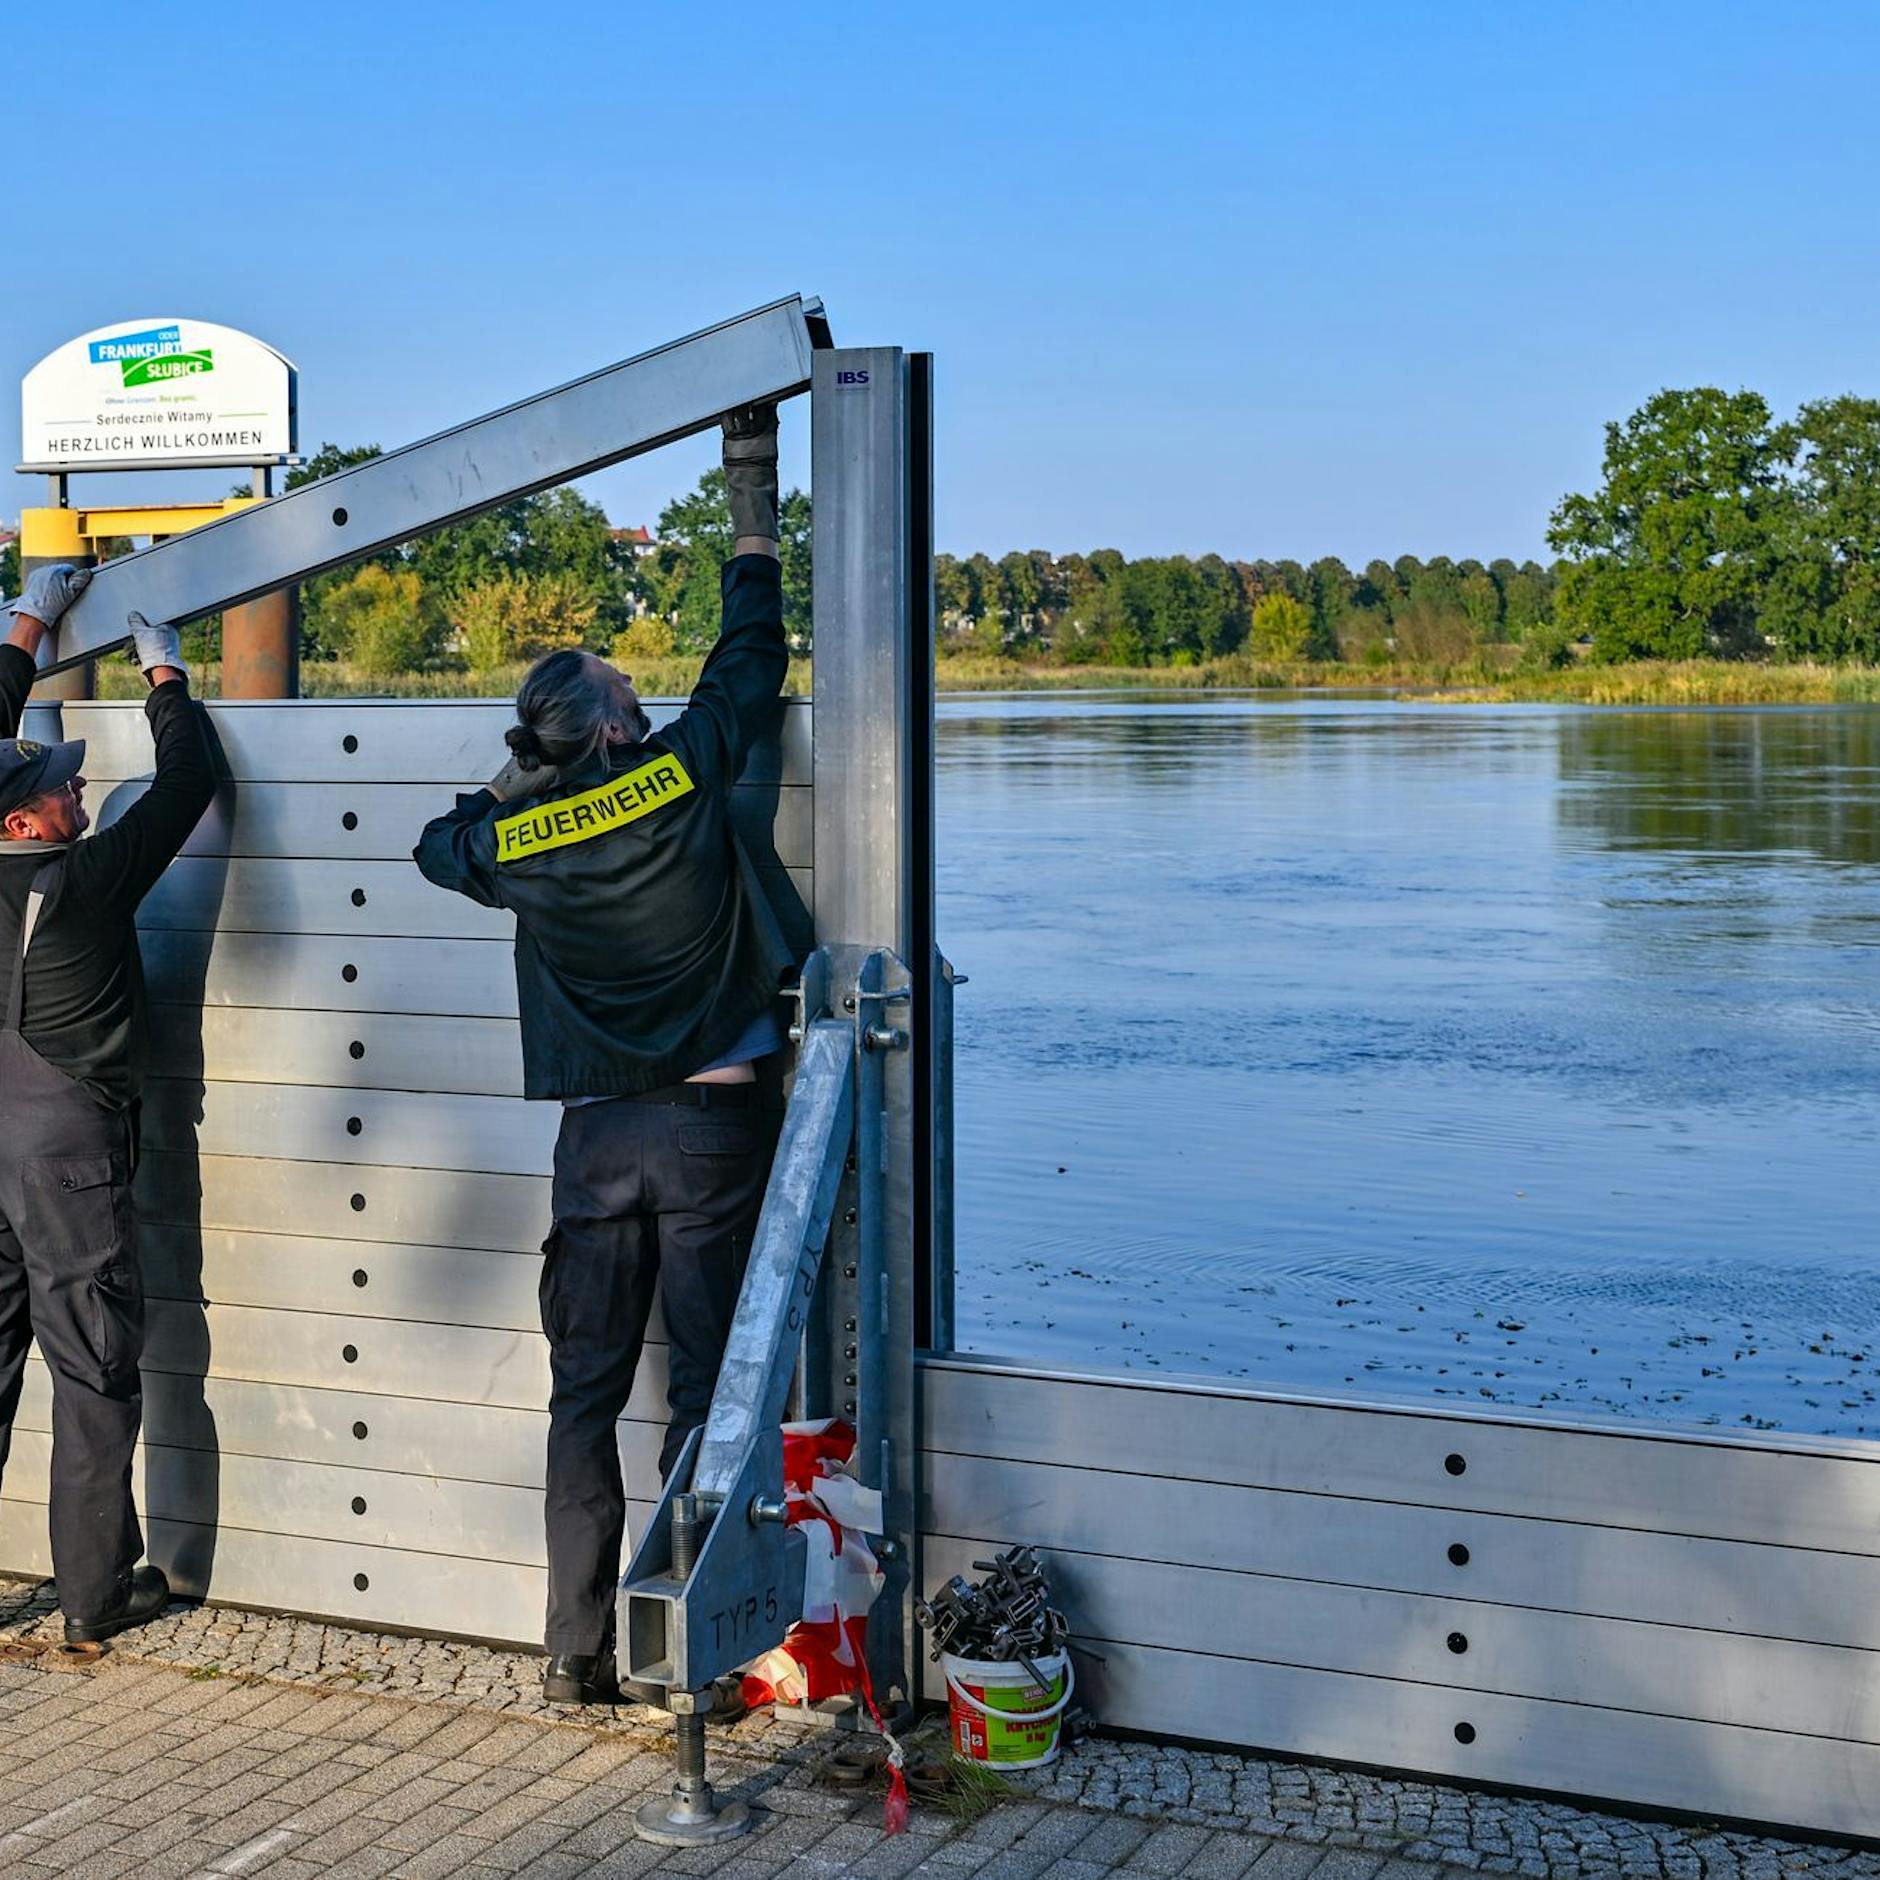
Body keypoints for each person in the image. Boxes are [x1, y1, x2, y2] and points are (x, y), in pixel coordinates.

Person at [416, 407, 793, 1704]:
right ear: (625, 729)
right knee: (702, 1400)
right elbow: (752, 663)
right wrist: (753, 506)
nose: (647, 691)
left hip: (595, 1145)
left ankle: (576, 1653)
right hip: (710, 1129)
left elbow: (436, 844)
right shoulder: (684, 776)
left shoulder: (519, 844)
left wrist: (521, 783)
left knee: (583, 1400)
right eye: (632, 689)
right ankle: (691, 1653)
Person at [0, 567, 214, 1644]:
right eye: (68, 787)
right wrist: (164, 673)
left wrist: (26, 625)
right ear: (31, 820)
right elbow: (190, 779)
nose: (85, 796)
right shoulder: (84, 878)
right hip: (68, 1150)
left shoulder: (36, 846)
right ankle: (91, 1601)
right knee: (91, 1364)